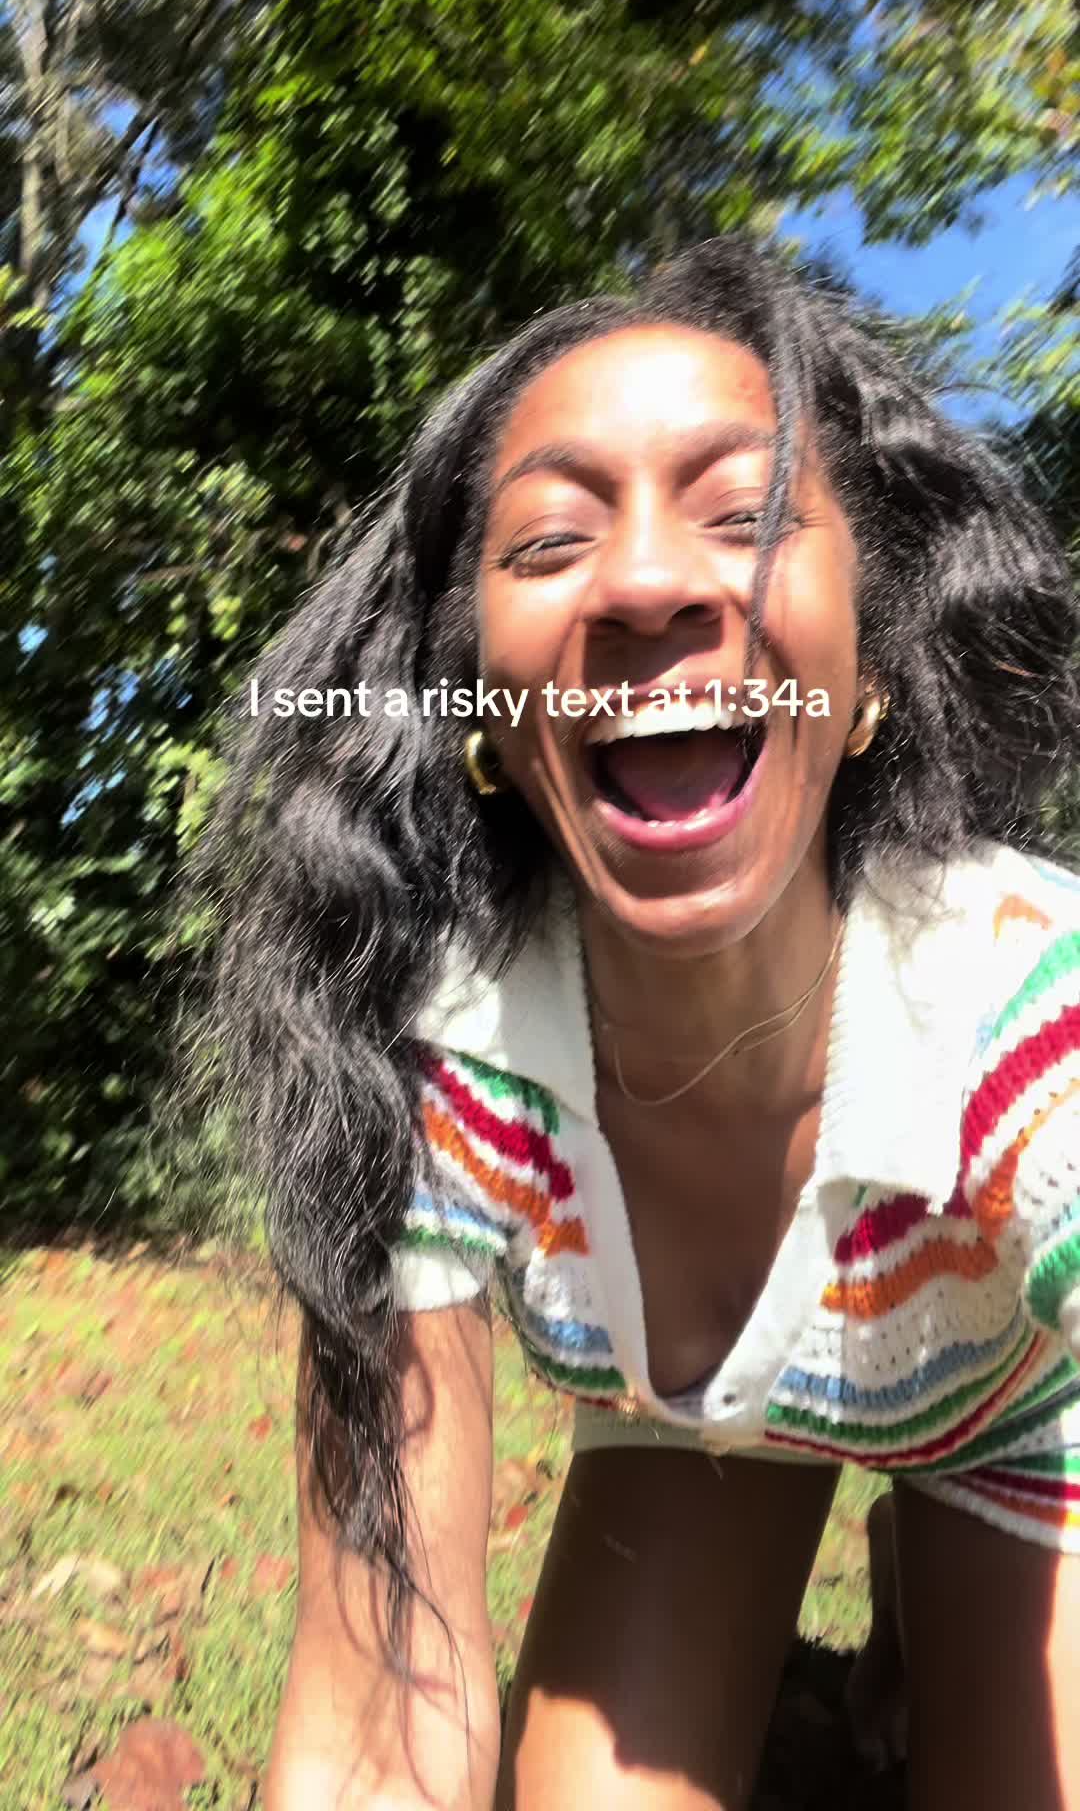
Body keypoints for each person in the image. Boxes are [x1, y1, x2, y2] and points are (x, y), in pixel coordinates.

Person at [179, 235, 1080, 1810]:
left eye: (745, 516)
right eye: (549, 541)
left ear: (867, 670)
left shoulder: (1027, 1021)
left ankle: (926, 1573)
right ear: (478, 706)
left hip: (1023, 1408)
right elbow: (374, 1723)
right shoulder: (429, 1059)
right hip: (704, 1433)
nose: (651, 582)